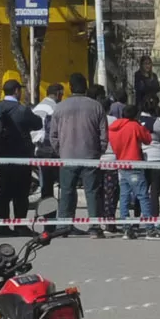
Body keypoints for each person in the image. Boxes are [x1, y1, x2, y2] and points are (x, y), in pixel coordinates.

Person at [53, 73, 110, 237]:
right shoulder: (96, 106)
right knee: (92, 192)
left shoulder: (60, 107)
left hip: (67, 156)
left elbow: (53, 135)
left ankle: (64, 226)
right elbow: (103, 134)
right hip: (90, 156)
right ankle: (94, 227)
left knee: (66, 191)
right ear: (85, 86)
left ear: (70, 87)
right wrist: (99, 151)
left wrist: (61, 150)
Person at [0, 79, 42, 238]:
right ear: (16, 91)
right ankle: (20, 225)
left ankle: (2, 226)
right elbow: (38, 123)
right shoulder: (22, 109)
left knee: (4, 192)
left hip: (5, 155)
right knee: (21, 193)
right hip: (21, 155)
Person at [110, 103, 155, 239]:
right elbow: (147, 139)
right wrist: (141, 126)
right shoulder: (134, 126)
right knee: (142, 196)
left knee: (124, 197)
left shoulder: (113, 128)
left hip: (121, 164)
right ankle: (150, 229)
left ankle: (126, 228)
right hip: (134, 164)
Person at [139, 96, 160, 224]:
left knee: (141, 189)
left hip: (142, 157)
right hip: (158, 158)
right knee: (154, 191)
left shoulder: (137, 120)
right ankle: (153, 219)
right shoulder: (155, 122)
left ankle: (139, 217)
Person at [34, 83, 64, 202]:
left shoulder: (38, 107)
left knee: (46, 185)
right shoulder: (54, 108)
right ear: (57, 94)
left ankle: (47, 211)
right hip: (51, 151)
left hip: (39, 149)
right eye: (61, 94)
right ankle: (52, 214)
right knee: (56, 184)